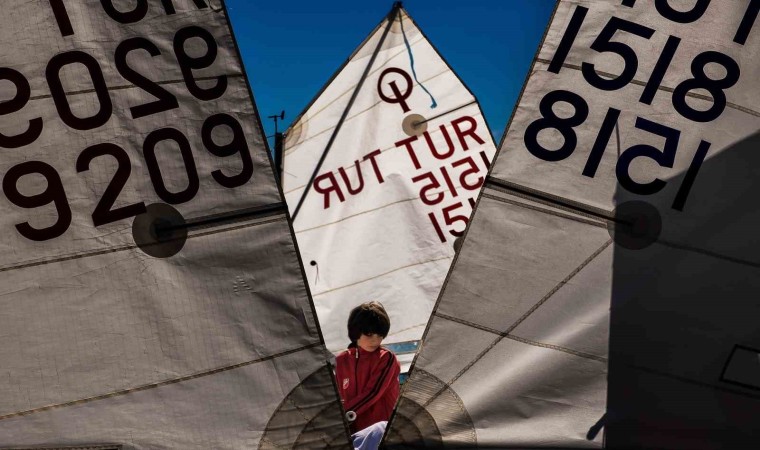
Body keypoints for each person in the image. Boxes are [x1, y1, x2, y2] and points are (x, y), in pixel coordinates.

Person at [335, 301, 400, 443]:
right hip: (355, 436)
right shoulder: (341, 361)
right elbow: (338, 396)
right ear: (356, 332)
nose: (375, 340)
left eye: (380, 335)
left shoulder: (387, 358)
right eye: (369, 334)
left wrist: (341, 417)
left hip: (383, 435)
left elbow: (373, 392)